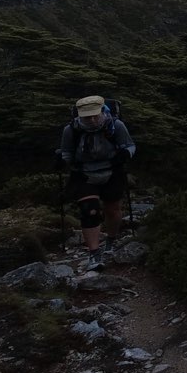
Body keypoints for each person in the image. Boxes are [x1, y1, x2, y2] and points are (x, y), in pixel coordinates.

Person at [57, 95, 136, 271]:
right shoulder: (71, 130)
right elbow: (67, 152)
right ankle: (94, 254)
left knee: (112, 210)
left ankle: (111, 240)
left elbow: (130, 145)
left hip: (112, 171)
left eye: (95, 115)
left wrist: (125, 154)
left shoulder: (116, 125)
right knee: (89, 211)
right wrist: (62, 160)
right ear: (80, 116)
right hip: (83, 174)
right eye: (87, 117)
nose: (92, 120)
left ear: (101, 111)